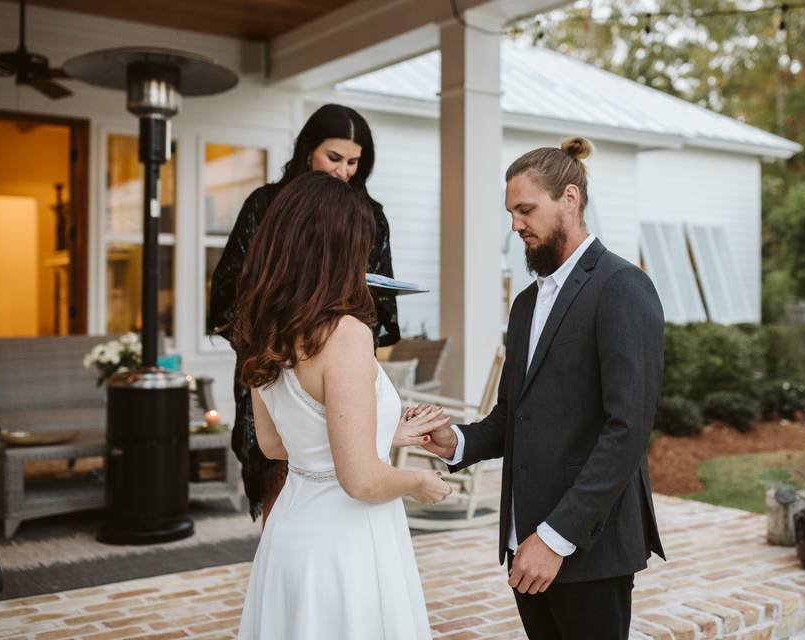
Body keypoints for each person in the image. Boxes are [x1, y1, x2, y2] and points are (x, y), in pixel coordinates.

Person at [421, 138, 666, 640]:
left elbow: (627, 431)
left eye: (526, 209)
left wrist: (555, 538)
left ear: (570, 200)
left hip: (584, 546)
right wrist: (457, 441)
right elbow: (514, 414)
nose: (515, 225)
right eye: (511, 212)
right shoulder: (527, 303)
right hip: (523, 541)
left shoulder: (622, 287)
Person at [234, 172, 451, 639]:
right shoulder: (345, 334)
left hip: (291, 533)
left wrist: (376, 434)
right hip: (344, 544)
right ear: (338, 248)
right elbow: (361, 480)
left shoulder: (262, 327)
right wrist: (420, 482)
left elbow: (275, 443)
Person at [209, 104, 400, 524]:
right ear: (307, 150)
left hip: (340, 362)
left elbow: (379, 307)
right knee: (279, 483)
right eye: (335, 158)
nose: (345, 172)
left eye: (355, 162)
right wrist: (281, 324)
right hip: (274, 358)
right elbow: (229, 291)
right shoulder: (265, 205)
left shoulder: (369, 214)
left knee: (349, 475)